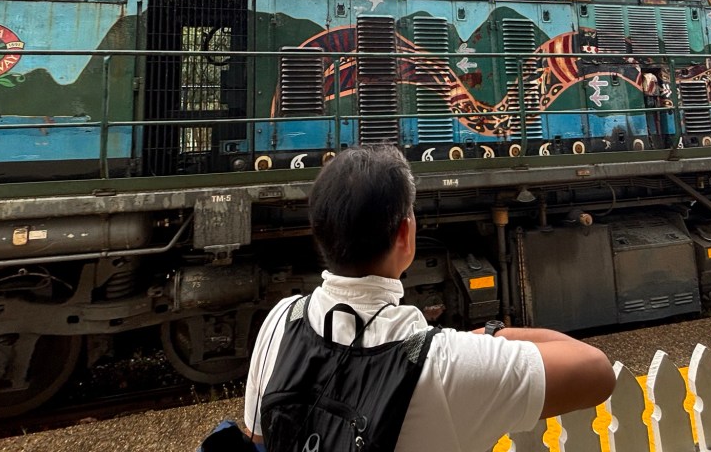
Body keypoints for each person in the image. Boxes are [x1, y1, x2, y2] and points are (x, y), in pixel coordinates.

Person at [243, 145, 615, 452]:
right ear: (405, 234)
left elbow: (259, 438)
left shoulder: (280, 321)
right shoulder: (446, 362)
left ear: (319, 230)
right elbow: (597, 372)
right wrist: (489, 337)